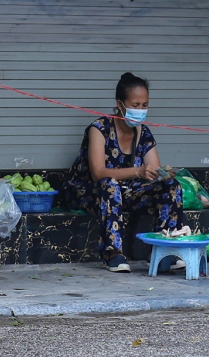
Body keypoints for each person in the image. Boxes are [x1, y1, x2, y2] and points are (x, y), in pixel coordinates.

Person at [62, 72, 185, 272]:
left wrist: (163, 174)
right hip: (88, 191)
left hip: (127, 191)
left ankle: (165, 249)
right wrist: (138, 171)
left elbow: (153, 171)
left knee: (170, 188)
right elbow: (98, 173)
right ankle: (113, 253)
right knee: (109, 184)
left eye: (145, 105)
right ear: (120, 105)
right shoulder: (99, 129)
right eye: (135, 105)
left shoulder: (143, 133)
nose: (141, 110)